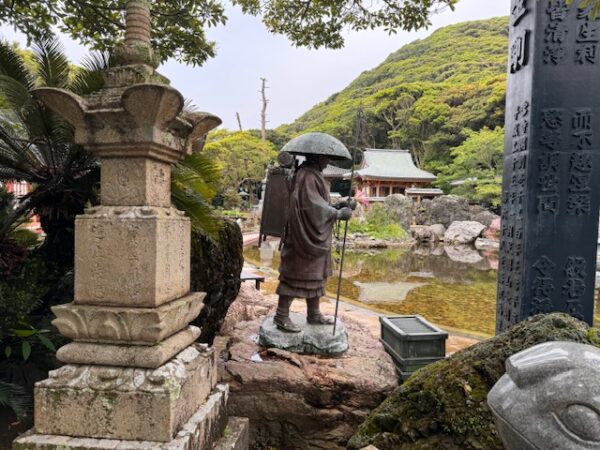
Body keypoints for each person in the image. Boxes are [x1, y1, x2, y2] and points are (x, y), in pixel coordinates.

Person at [275, 153, 353, 332]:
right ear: (317, 157)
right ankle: (281, 315)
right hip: (302, 235)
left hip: (312, 235)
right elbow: (311, 206)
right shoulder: (307, 174)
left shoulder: (312, 173)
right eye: (325, 158)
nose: (328, 162)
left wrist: (339, 205)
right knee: (294, 275)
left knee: (316, 275)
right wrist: (336, 214)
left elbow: (321, 203)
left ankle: (314, 313)